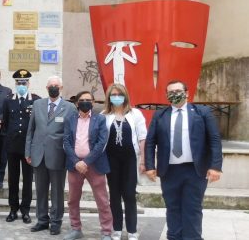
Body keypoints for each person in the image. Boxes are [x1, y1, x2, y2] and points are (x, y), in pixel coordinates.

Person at [145, 80, 223, 240]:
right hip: (169, 171)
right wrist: (150, 166)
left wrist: (215, 166)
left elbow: (214, 139)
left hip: (195, 170)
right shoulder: (160, 115)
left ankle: (193, 237)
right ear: (167, 95)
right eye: (170, 92)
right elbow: (150, 141)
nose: (174, 94)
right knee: (172, 207)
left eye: (178, 91)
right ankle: (174, 237)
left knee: (193, 208)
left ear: (187, 93)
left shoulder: (202, 112)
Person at [25, 75, 76, 235]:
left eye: (56, 85)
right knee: (40, 190)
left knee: (57, 192)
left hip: (58, 155)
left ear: (61, 88)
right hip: (38, 154)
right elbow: (30, 130)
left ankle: (56, 222)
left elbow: (72, 134)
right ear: (47, 88)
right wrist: (28, 151)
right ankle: (42, 220)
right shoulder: (37, 104)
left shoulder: (69, 107)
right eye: (51, 85)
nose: (53, 87)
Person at [63, 91, 113, 240]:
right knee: (73, 199)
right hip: (75, 165)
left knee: (102, 200)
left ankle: (106, 232)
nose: (86, 102)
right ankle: (76, 229)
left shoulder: (100, 119)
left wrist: (86, 162)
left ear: (93, 102)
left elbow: (101, 143)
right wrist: (77, 161)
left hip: (95, 165)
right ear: (77, 103)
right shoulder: (69, 119)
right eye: (82, 100)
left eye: (89, 100)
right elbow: (66, 142)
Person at [102, 83, 147, 240]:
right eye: (113, 95)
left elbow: (142, 138)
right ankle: (116, 229)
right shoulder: (104, 115)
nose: (116, 97)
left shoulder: (135, 114)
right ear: (109, 97)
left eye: (119, 94)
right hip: (111, 160)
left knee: (129, 194)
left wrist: (143, 161)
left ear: (125, 95)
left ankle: (132, 231)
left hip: (130, 160)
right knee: (114, 195)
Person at [2, 69, 40, 224]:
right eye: (18, 82)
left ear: (29, 83)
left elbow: (38, 124)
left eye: (24, 82)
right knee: (13, 179)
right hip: (12, 146)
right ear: (15, 84)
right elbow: (4, 122)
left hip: (28, 147)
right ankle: (13, 209)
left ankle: (25, 210)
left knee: (27, 180)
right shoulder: (8, 100)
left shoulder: (36, 100)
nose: (21, 85)